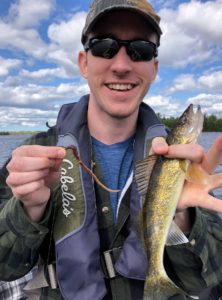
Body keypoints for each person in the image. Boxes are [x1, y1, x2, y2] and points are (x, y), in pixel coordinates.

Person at [0, 0, 222, 299]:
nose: (121, 65)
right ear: (83, 62)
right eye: (104, 46)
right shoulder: (32, 155)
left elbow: (208, 284)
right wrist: (28, 210)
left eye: (140, 49)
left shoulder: (191, 167)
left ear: (154, 68)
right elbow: (4, 269)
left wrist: (185, 218)